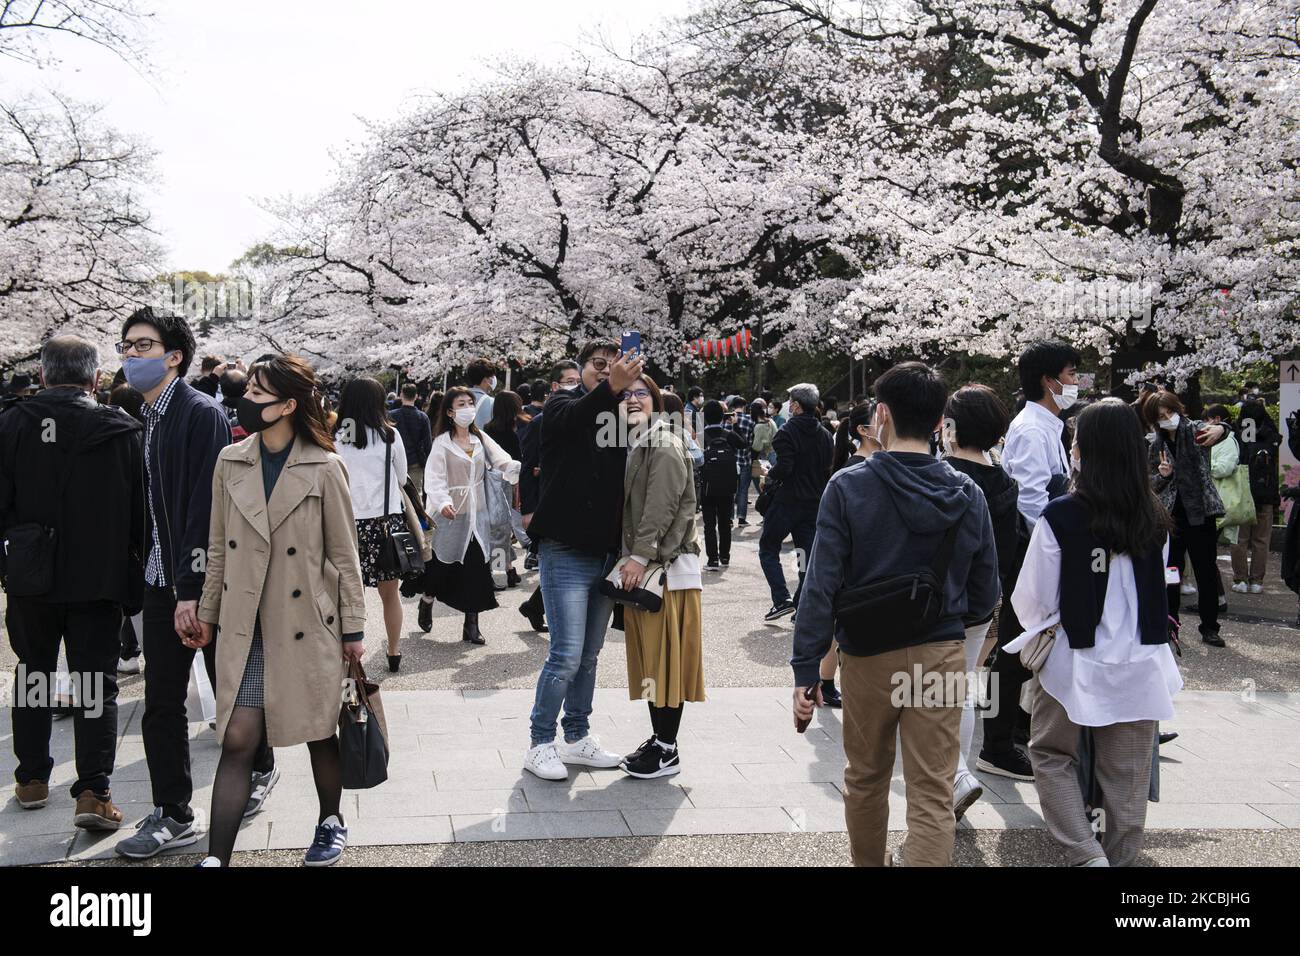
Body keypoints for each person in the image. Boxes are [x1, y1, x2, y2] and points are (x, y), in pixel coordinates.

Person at [791, 362, 1000, 867]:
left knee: (865, 778)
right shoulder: (967, 492)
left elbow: (820, 585)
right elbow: (986, 591)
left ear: (880, 414)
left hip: (866, 654)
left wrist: (806, 669)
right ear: (937, 424)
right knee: (932, 789)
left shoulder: (848, 487)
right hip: (941, 651)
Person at [111, 309, 274, 860]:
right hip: (161, 578)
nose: (131, 355)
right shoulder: (146, 414)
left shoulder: (197, 412)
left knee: (228, 689)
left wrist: (192, 589)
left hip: (201, 582)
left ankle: (261, 766)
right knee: (161, 700)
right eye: (127, 346)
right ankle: (173, 811)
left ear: (173, 355)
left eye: (143, 345)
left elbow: (204, 506)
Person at [195, 355, 367, 867]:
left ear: (289, 405)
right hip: (246, 624)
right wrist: (207, 613)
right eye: (247, 388)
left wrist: (354, 629)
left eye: (258, 393)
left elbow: (344, 554)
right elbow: (218, 548)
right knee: (237, 738)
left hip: (307, 623)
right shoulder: (231, 460)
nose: (246, 399)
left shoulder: (324, 464)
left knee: (318, 730)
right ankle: (215, 859)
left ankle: (330, 820)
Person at [1005, 399, 1182, 866]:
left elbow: (1032, 600)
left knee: (1050, 753)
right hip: (1142, 661)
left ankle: (1085, 853)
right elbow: (1161, 584)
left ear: (1086, 449)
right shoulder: (1156, 517)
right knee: (1126, 777)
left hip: (1073, 659)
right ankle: (1117, 860)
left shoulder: (1061, 516)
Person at [0, 336, 145, 829]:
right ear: (95, 378)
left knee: (34, 671)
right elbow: (138, 516)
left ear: (42, 375)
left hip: (31, 575)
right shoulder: (121, 429)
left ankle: (32, 778)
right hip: (98, 575)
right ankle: (93, 791)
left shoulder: (12, 424)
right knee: (93, 684)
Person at [523, 340, 643, 780]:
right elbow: (575, 419)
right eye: (598, 365)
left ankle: (576, 735)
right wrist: (612, 387)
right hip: (565, 549)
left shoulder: (620, 414)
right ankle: (539, 742)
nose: (606, 372)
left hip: (607, 551)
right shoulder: (559, 405)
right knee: (565, 654)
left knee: (590, 655)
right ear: (580, 369)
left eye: (613, 367)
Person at [979, 340, 1080, 782]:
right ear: (1049, 380)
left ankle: (1015, 729)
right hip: (1033, 552)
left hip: (1043, 548)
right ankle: (996, 745)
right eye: (1072, 373)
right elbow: (1032, 499)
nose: (1077, 383)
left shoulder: (1048, 426)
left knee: (1026, 645)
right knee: (1013, 649)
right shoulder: (1034, 429)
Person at [615, 374, 705, 777]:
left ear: (655, 400)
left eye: (641, 394)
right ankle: (660, 740)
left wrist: (638, 556)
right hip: (654, 570)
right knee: (654, 663)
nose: (633, 400)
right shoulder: (642, 440)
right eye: (625, 394)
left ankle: (667, 748)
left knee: (666, 664)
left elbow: (661, 508)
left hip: (664, 571)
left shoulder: (663, 442)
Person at [942, 385, 1021, 820]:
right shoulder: (1006, 484)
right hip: (987, 604)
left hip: (939, 604)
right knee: (966, 684)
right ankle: (960, 772)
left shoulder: (940, 474)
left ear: (950, 428)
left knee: (932, 689)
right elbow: (1007, 552)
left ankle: (954, 776)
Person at [417, 387, 521, 644]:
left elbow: (502, 459)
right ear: (450, 412)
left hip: (479, 515)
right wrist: (442, 502)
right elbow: (434, 478)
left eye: (470, 403)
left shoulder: (481, 439)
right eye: (461, 404)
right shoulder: (442, 443)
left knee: (476, 568)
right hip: (452, 515)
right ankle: (427, 599)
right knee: (443, 565)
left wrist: (513, 468)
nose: (468, 408)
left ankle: (471, 625)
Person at [333, 377, 408, 672]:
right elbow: (402, 479)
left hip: (345, 524)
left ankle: (351, 653)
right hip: (384, 524)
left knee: (351, 595)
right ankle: (393, 651)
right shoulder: (390, 436)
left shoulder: (334, 437)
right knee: (390, 594)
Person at [1146, 390, 1227, 646]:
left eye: (1170, 412)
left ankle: (1210, 627)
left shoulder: (1195, 431)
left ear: (1178, 409)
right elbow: (1150, 484)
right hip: (1170, 517)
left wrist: (1222, 428)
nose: (1167, 418)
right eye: (1161, 416)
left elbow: (1219, 428)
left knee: (1206, 570)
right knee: (1171, 572)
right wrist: (1164, 475)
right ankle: (1171, 625)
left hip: (1201, 512)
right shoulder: (1155, 445)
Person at [759, 383, 833, 621]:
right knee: (804, 552)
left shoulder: (787, 432)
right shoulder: (825, 434)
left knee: (768, 548)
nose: (789, 406)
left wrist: (769, 473)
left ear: (798, 406)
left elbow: (785, 467)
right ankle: (800, 604)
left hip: (787, 502)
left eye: (791, 402)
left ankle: (781, 599)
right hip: (813, 502)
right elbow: (826, 470)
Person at [517, 361, 582, 632]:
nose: (575, 385)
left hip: (576, 503)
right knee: (557, 564)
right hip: (548, 504)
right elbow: (526, 467)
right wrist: (528, 510)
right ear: (554, 387)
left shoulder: (585, 416)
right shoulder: (540, 423)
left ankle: (534, 606)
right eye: (569, 380)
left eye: (578, 379)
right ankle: (539, 608)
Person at [107, 382, 147, 674]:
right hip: (144, 537)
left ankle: (127, 652)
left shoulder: (109, 438)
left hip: (114, 540)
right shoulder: (147, 436)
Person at [1232, 401, 1282, 593]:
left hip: (1243, 492)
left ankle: (1240, 580)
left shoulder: (1238, 435)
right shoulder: (1271, 436)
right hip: (1266, 494)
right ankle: (1257, 582)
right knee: (1261, 540)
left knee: (1240, 538)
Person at [484, 389, 530, 589]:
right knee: (505, 526)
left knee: (499, 527)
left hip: (495, 480)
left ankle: (502, 569)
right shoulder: (523, 426)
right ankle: (506, 569)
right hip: (519, 478)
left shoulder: (488, 429)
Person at [699, 400, 747, 571]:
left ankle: (712, 560)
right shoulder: (729, 434)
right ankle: (725, 557)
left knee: (709, 524)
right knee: (725, 523)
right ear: (722, 416)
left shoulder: (700, 436)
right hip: (728, 486)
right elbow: (743, 444)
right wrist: (735, 426)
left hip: (707, 486)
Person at [391, 383, 433, 501]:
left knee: (396, 493)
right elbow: (427, 444)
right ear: (416, 397)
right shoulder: (423, 417)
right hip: (415, 461)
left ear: (401, 395)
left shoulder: (391, 415)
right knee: (415, 494)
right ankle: (417, 518)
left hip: (394, 461)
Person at [727, 396, 756, 526]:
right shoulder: (750, 420)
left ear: (732, 406)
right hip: (745, 459)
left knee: (730, 490)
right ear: (744, 407)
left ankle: (729, 518)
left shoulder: (727, 419)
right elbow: (751, 441)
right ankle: (741, 519)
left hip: (731, 460)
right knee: (743, 490)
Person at [466, 356, 502, 429]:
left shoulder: (458, 397)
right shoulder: (492, 402)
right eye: (491, 376)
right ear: (485, 379)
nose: (493, 379)